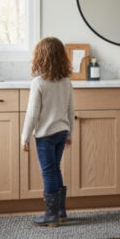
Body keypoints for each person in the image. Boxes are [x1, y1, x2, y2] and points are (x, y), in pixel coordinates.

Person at [21, 37, 75, 226]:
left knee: (49, 171)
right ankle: (60, 212)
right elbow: (71, 111)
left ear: (40, 57)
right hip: (62, 132)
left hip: (45, 135)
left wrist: (25, 137)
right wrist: (69, 134)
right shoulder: (66, 82)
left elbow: (32, 113)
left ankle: (51, 216)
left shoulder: (39, 83)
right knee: (55, 168)